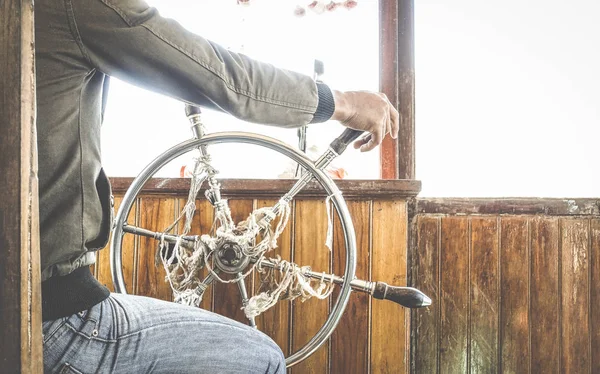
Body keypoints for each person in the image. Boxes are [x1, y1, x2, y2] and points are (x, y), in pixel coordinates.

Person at [37, 0, 399, 373]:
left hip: (22, 308)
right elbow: (225, 79)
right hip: (56, 321)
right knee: (263, 359)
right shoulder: (74, 7)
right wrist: (345, 103)